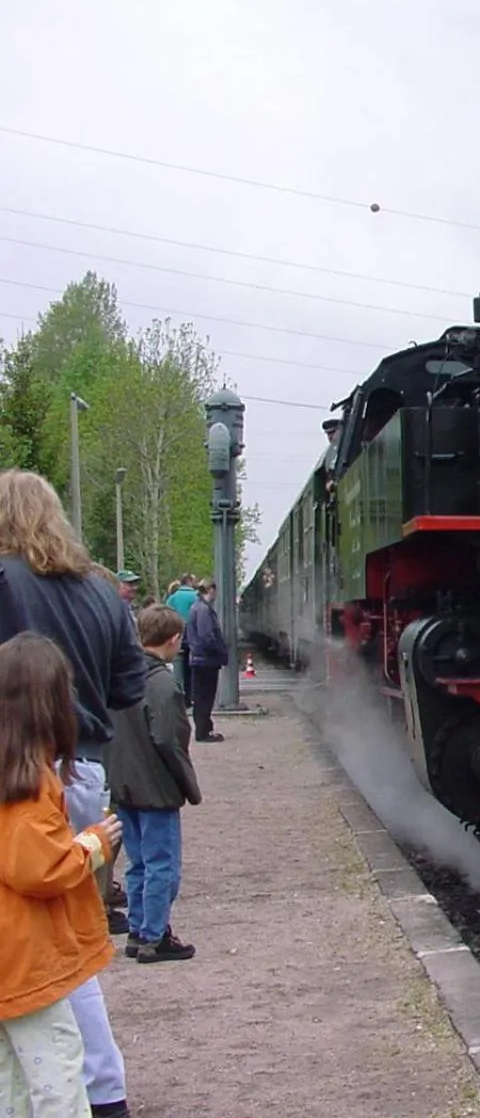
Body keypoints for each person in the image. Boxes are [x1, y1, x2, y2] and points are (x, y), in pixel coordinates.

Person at [0, 470, 140, 1118]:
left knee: (30, 944)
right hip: (83, 770)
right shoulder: (104, 593)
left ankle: (59, 1091)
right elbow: (129, 688)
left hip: (18, 773)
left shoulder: (4, 582)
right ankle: (101, 1087)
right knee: (69, 940)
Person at [0, 631, 125, 1118]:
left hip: (11, 959)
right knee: (59, 1069)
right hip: (25, 959)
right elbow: (41, 871)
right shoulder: (28, 786)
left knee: (11, 1075)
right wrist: (94, 843)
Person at [108, 605, 201, 964]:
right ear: (174, 639)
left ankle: (136, 929)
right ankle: (154, 935)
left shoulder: (121, 676)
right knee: (163, 864)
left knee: (137, 863)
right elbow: (168, 738)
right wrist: (187, 783)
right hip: (155, 787)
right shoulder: (162, 683)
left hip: (125, 784)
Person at [184, 578, 229, 742]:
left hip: (200, 659)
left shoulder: (198, 607)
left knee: (202, 697)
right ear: (211, 590)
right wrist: (220, 650)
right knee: (205, 697)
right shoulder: (203, 610)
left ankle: (204, 729)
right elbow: (206, 636)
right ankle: (203, 732)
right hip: (205, 660)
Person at [165, 575, 200, 705]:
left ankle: (181, 697)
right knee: (192, 668)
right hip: (192, 636)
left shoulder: (172, 598)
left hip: (176, 635)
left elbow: (166, 613)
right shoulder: (196, 597)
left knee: (178, 668)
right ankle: (191, 696)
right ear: (190, 582)